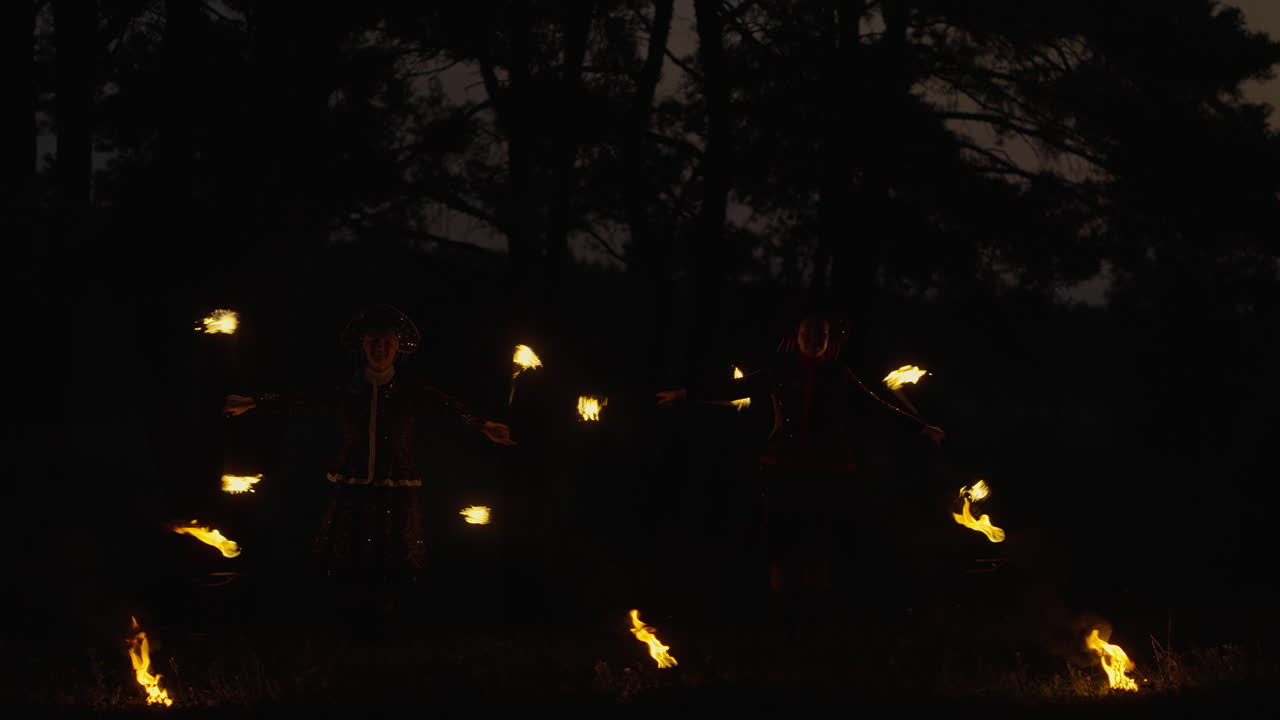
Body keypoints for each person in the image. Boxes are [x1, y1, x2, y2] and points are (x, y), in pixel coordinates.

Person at [223, 304, 515, 637]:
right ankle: (350, 626)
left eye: (387, 344)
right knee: (351, 554)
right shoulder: (348, 388)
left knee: (392, 555)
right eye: (374, 343)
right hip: (354, 480)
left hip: (395, 483)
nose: (380, 350)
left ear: (397, 349)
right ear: (364, 346)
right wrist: (255, 402)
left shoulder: (410, 389)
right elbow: (301, 398)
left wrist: (484, 425)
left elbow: (449, 407)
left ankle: (387, 627)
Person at [656, 315, 944, 630]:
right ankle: (781, 620)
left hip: (825, 468)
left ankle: (815, 621)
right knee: (781, 538)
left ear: (828, 339)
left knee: (817, 538)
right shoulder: (780, 372)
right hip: (784, 465)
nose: (813, 338)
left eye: (819, 333)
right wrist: (684, 394)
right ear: (797, 337)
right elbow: (733, 387)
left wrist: (920, 428)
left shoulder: (839, 374)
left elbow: (874, 406)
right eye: (807, 332)